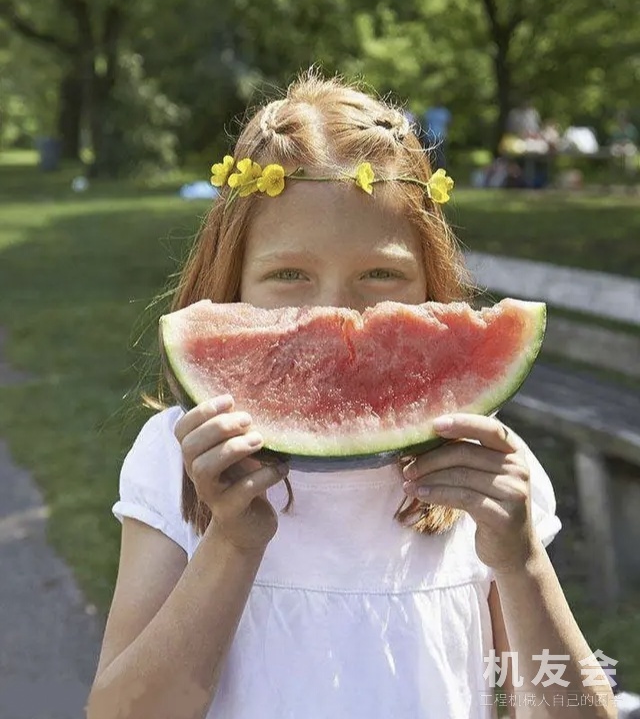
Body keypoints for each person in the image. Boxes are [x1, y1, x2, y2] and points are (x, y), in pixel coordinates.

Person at [87, 72, 616, 719]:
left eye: (380, 275)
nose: (335, 314)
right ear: (229, 285)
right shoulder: (176, 459)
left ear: (430, 289)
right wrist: (231, 541)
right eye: (288, 275)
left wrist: (522, 560)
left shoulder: (490, 477)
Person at [423, 103, 452, 169]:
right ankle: (438, 170)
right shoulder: (444, 112)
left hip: (433, 137)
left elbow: (425, 123)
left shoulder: (430, 111)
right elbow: (449, 124)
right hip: (437, 137)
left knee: (432, 155)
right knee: (438, 156)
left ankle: (432, 169)